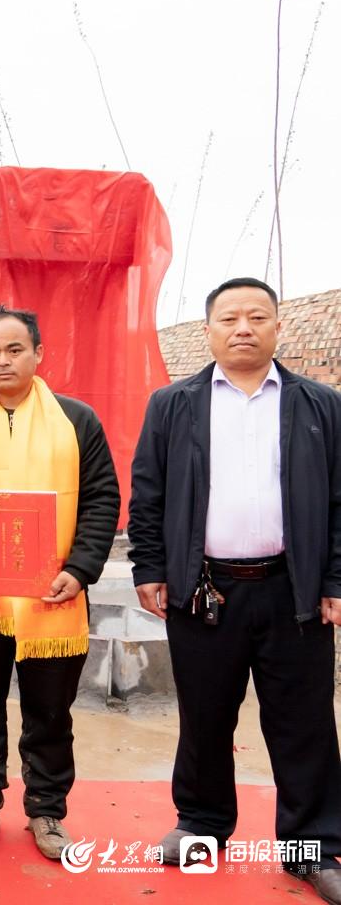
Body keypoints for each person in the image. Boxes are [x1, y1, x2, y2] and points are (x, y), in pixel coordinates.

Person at [130, 277, 341, 902]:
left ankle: (317, 845)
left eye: (257, 316)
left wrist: (334, 579)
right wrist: (149, 569)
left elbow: (338, 502)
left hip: (292, 590)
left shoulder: (320, 405)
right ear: (209, 331)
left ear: (277, 327)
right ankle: (201, 824)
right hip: (205, 589)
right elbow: (149, 495)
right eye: (230, 318)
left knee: (304, 722)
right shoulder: (173, 404)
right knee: (204, 714)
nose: (243, 327)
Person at [0, 307, 119, 859]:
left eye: (14, 350)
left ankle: (46, 810)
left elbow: (102, 498)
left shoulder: (76, 419)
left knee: (49, 711)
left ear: (39, 354)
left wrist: (79, 569)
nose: (2, 361)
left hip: (53, 597)